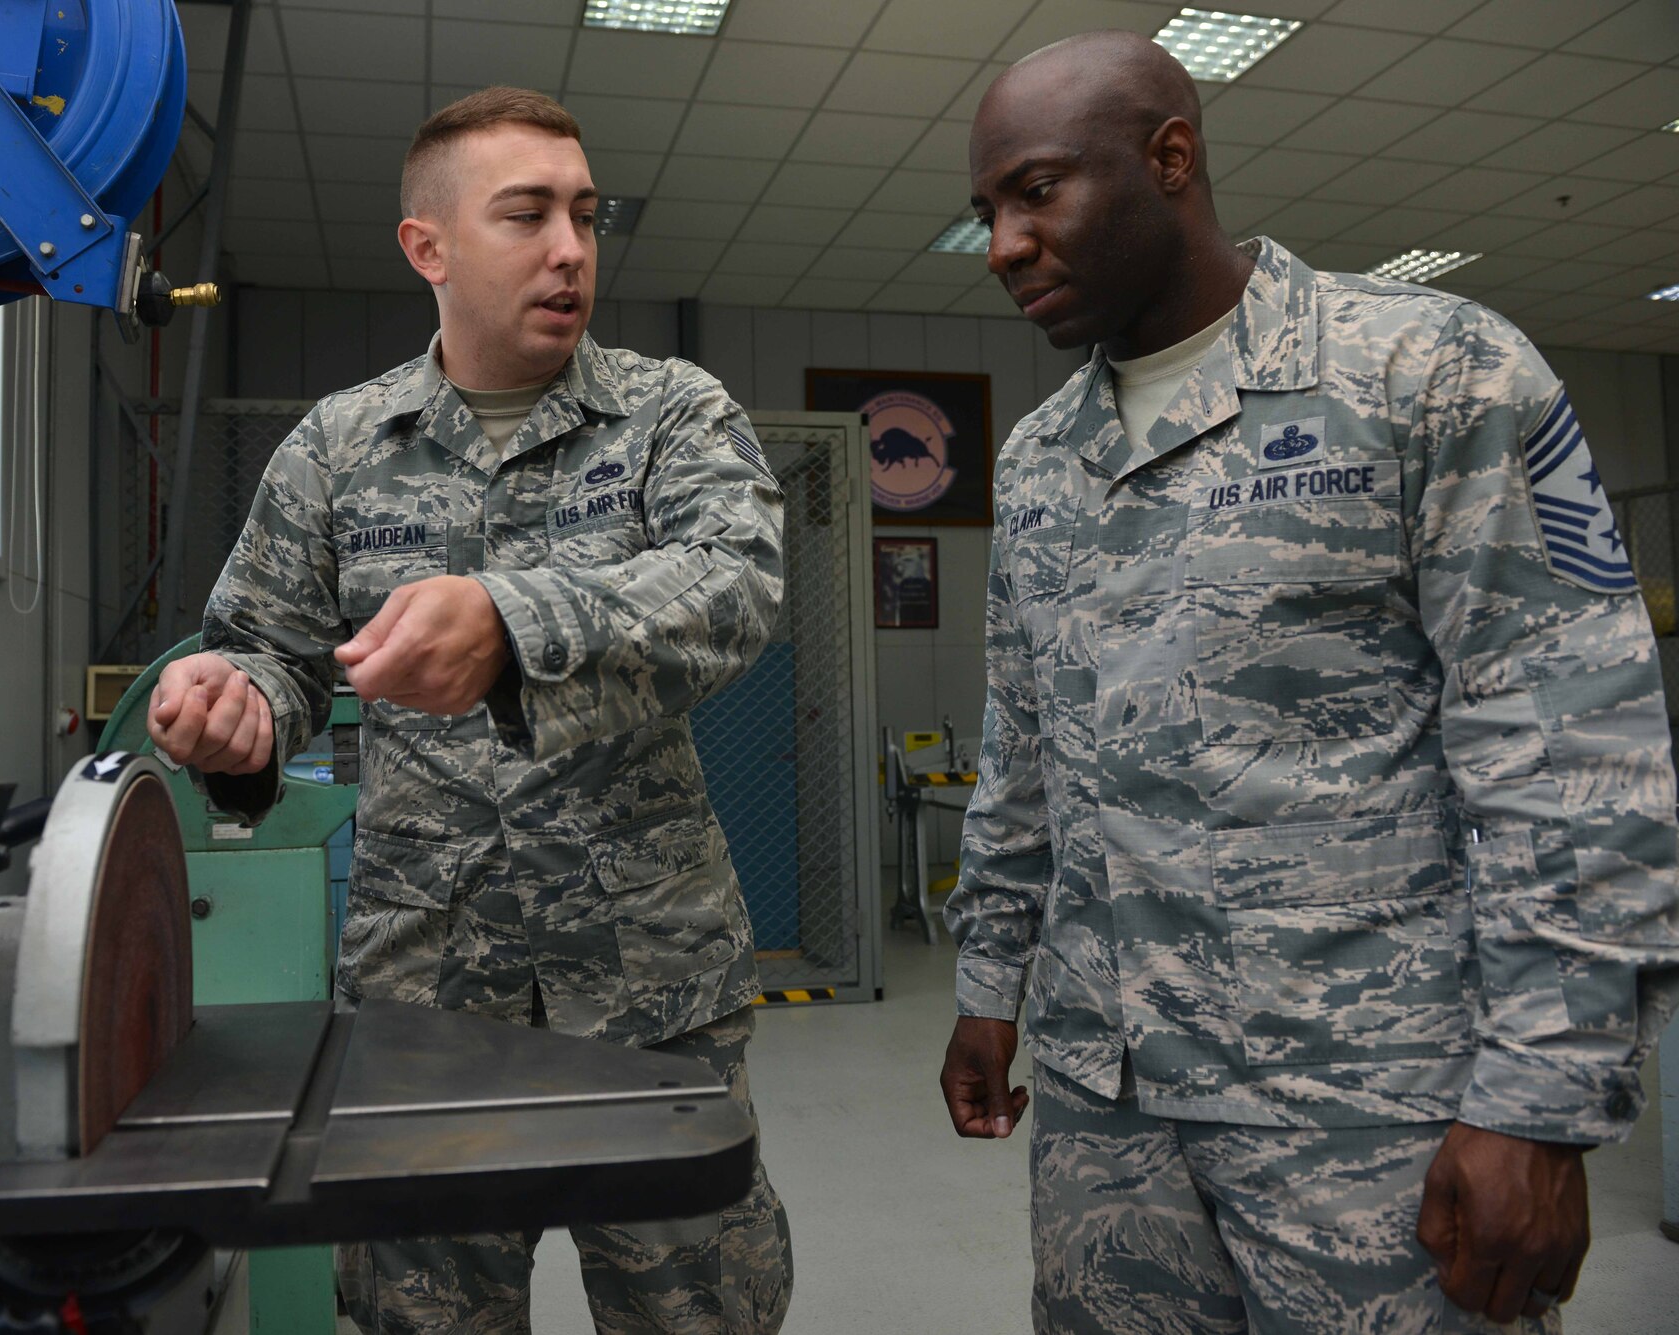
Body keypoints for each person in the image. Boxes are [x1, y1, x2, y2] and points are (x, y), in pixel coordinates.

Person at [938, 30, 1679, 1335]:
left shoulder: (1427, 373)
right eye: (988, 210)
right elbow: (1027, 749)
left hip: (1369, 1107)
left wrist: (1539, 1103)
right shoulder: (1051, 454)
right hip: (1110, 1109)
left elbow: (1570, 749)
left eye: (1037, 191)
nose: (1004, 242)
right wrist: (991, 982)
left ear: (1171, 160)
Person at [144, 86, 792, 1335]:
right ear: (426, 246)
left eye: (586, 216)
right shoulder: (337, 448)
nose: (569, 248)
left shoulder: (669, 413)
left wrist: (513, 624)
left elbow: (734, 587)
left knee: (694, 1313)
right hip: (425, 999)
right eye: (527, 215)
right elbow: (268, 653)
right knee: (422, 1318)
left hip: (647, 992)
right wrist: (235, 713)